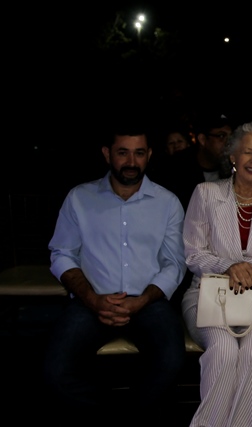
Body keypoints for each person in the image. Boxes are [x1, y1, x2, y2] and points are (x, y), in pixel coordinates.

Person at [43, 117, 187, 425]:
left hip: (148, 302)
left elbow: (174, 263)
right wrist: (92, 298)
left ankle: (129, 416)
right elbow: (61, 254)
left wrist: (142, 301)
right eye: (123, 152)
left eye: (139, 152)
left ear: (149, 155)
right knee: (55, 370)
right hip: (91, 300)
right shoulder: (79, 198)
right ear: (107, 154)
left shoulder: (167, 203)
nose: (131, 161)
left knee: (172, 362)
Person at [181, 121, 252, 427]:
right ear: (233, 156)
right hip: (208, 294)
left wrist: (247, 272)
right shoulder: (205, 194)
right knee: (224, 350)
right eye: (247, 153)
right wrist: (228, 266)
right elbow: (193, 253)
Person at [148, 109, 234, 211]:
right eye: (221, 136)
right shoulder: (175, 170)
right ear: (202, 139)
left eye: (231, 136)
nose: (229, 142)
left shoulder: (235, 167)